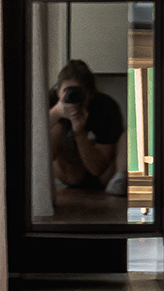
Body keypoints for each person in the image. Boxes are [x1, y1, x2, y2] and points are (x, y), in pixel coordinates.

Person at [48, 59, 127, 196]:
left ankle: (120, 179)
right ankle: (36, 184)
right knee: (54, 129)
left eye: (79, 93)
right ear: (58, 92)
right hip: (70, 172)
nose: (73, 98)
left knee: (131, 134)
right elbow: (30, 136)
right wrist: (55, 114)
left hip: (103, 175)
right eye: (67, 92)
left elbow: (98, 169)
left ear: (90, 94)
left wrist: (80, 133)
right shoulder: (50, 102)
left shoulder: (105, 106)